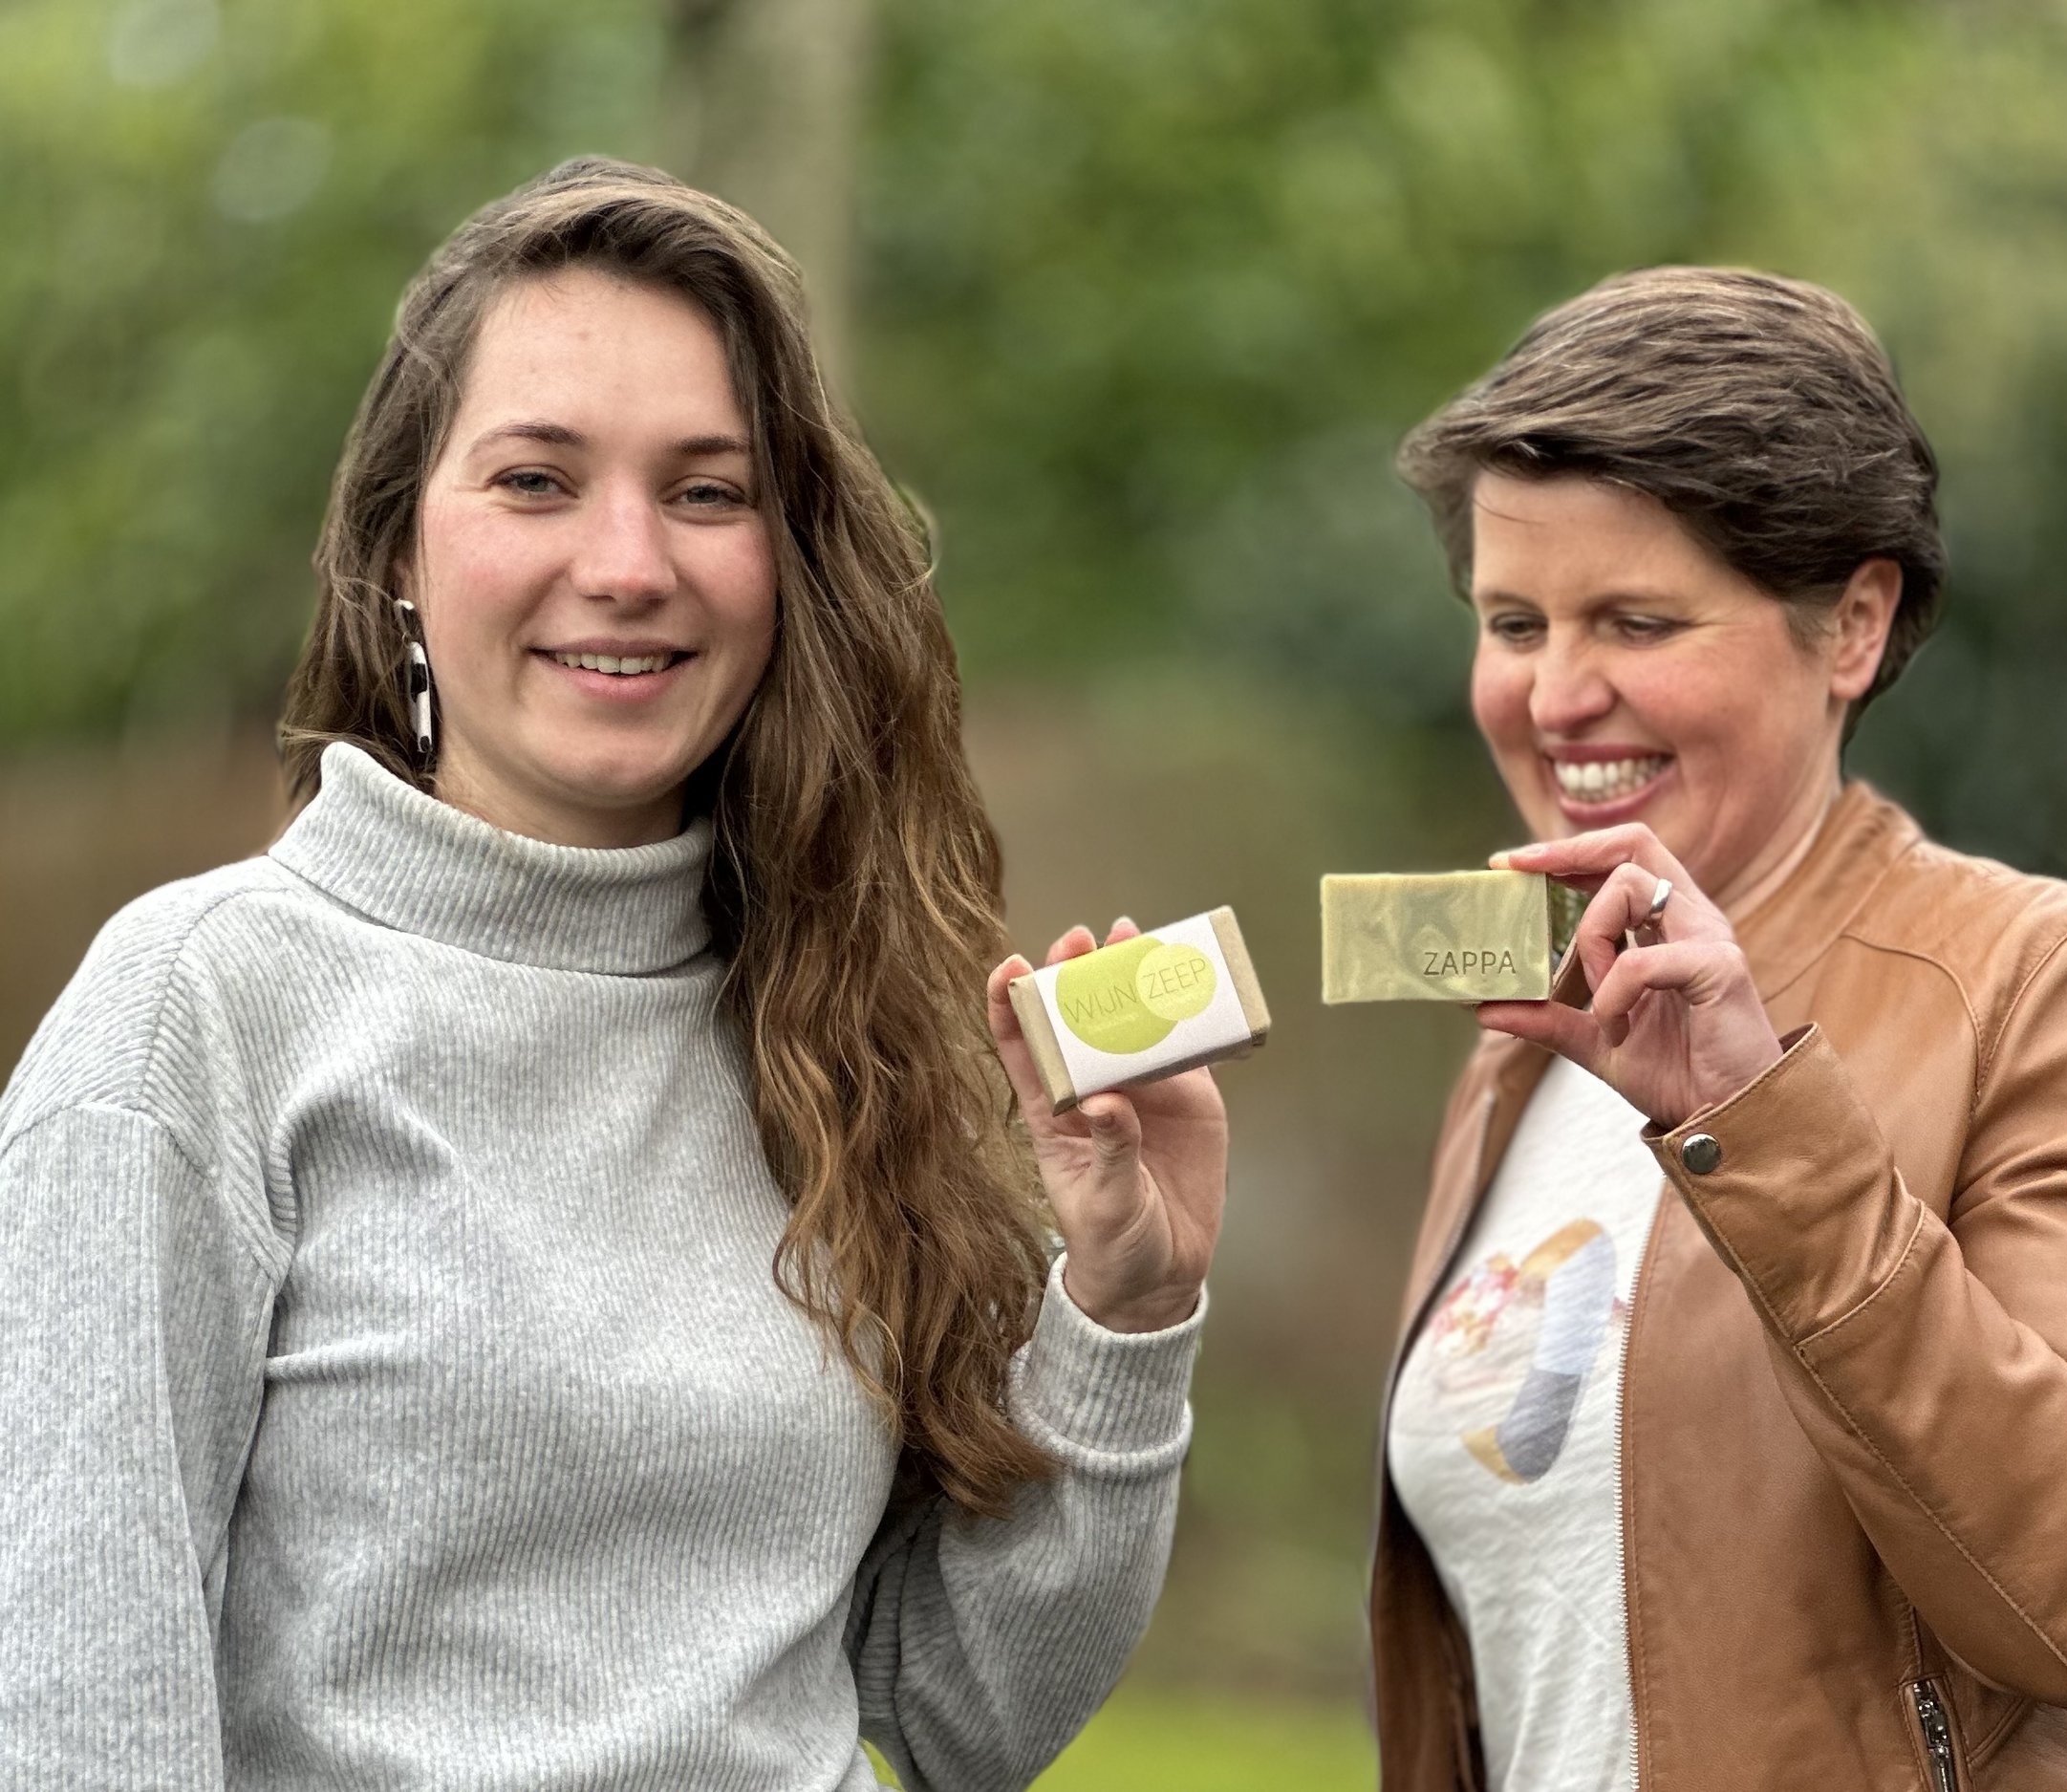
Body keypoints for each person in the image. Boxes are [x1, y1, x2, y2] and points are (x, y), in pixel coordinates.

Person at [0, 158, 1226, 1792]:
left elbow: (956, 1716)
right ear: (397, 557)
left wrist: (1127, 1310)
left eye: (708, 492)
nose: (631, 562)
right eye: (536, 481)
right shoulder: (197, 1013)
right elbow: (76, 1715)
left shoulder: (836, 1029)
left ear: (783, 567)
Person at [1370, 268, 2067, 1791]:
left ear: (1853, 623)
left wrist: (1764, 1118)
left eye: (1638, 620)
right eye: (1513, 621)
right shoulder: (1525, 1047)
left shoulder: (2040, 985)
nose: (1558, 694)